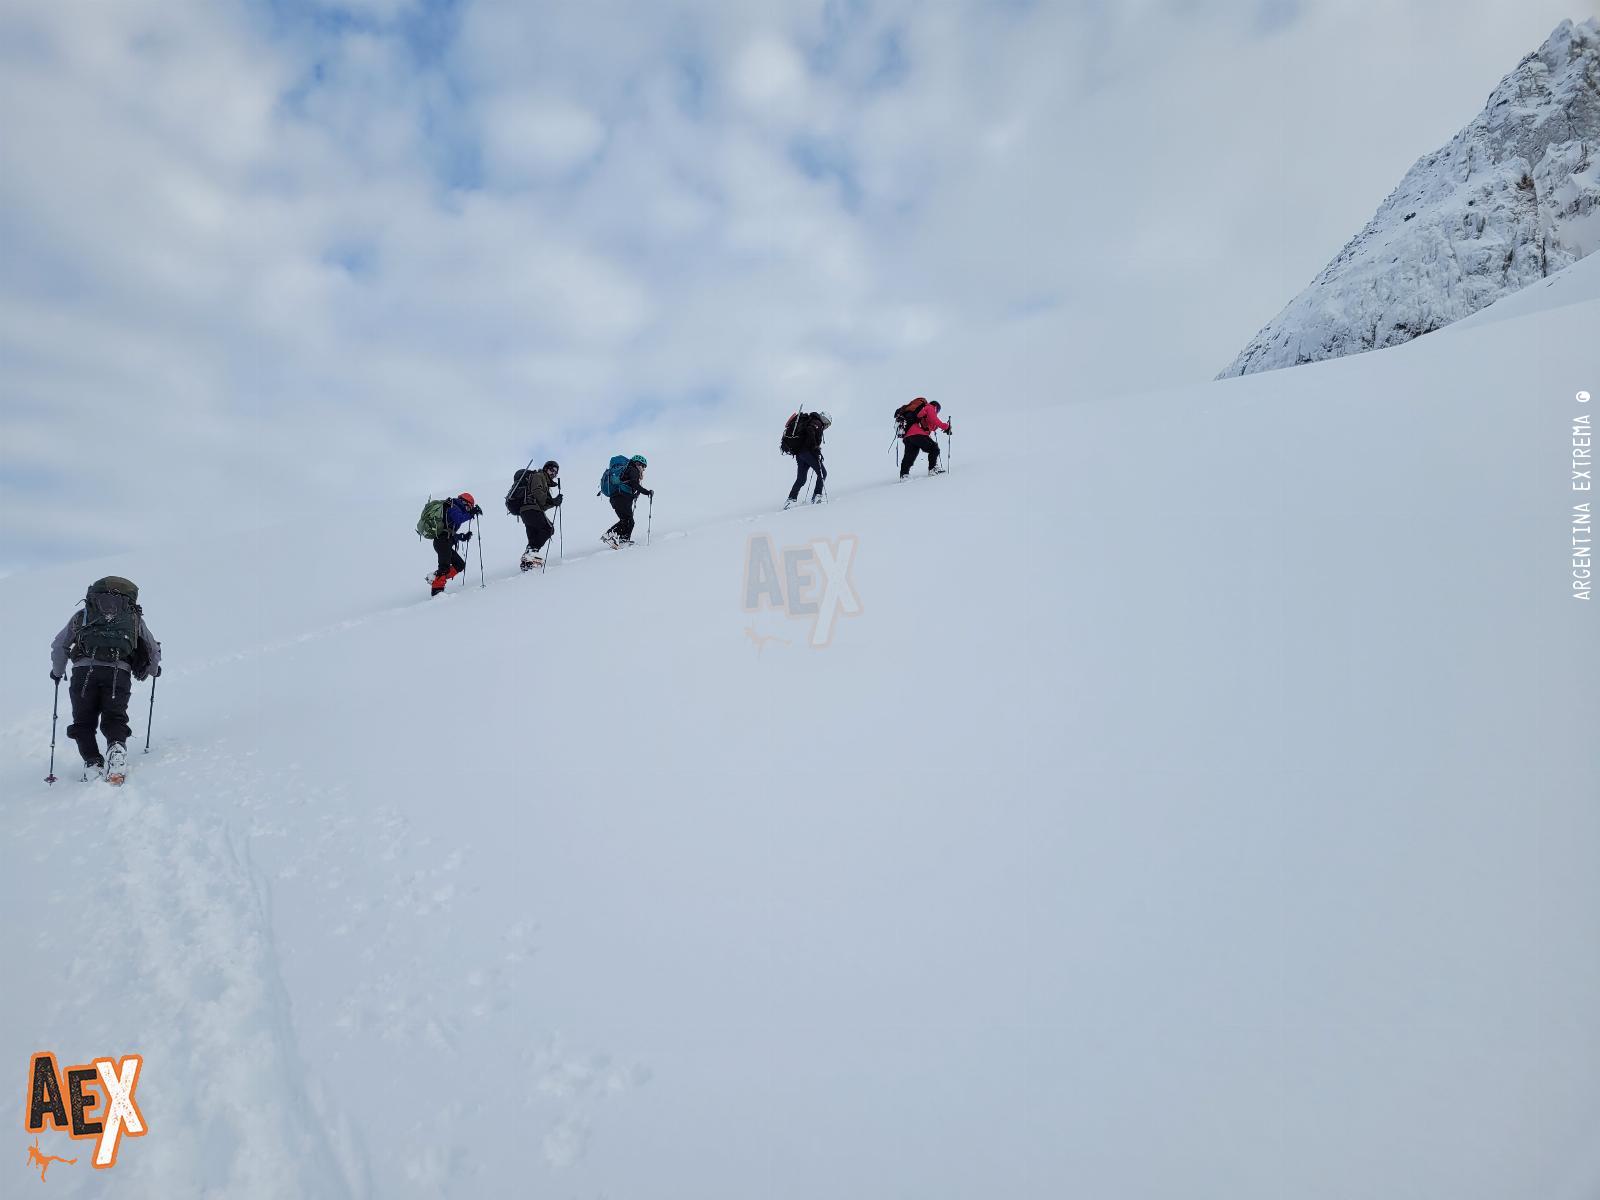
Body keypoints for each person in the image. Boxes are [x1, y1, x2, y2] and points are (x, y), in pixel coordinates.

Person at [49, 576, 161, 782]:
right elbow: (152, 648)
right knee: (115, 716)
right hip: (119, 673)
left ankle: (92, 762)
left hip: (83, 673)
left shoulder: (82, 616)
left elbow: (60, 645)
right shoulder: (133, 618)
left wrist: (57, 672)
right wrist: (153, 670)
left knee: (83, 721)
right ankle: (117, 749)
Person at [427, 492, 482, 596]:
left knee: (460, 565)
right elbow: (458, 519)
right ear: (464, 502)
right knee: (444, 568)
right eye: (469, 507)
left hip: (444, 542)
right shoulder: (453, 506)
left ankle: (435, 577)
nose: (468, 509)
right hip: (442, 542)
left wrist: (462, 537)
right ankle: (437, 593)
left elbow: (449, 533)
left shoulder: (455, 508)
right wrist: (471, 514)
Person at [511, 460, 562, 571]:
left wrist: (553, 502)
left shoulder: (543, 481)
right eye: (552, 470)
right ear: (545, 468)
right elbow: (537, 492)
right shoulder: (539, 476)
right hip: (531, 510)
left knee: (534, 536)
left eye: (556, 472)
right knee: (548, 529)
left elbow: (542, 505)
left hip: (526, 512)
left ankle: (528, 563)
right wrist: (553, 501)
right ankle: (531, 553)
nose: (553, 473)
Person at [602, 454, 653, 548]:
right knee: (629, 521)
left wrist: (635, 494)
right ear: (639, 464)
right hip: (621, 498)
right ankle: (613, 536)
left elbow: (629, 484)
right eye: (643, 466)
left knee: (626, 521)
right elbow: (634, 483)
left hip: (616, 499)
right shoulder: (633, 469)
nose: (643, 470)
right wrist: (646, 492)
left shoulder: (627, 470)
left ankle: (620, 539)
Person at [784, 411, 831, 509]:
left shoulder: (811, 420)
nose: (826, 426)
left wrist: (816, 450)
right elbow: (810, 430)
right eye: (827, 424)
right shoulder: (817, 422)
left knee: (801, 479)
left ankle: (790, 500)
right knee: (823, 473)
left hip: (800, 454)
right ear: (825, 420)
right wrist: (815, 448)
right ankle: (817, 496)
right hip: (807, 453)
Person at [899, 398, 951, 478]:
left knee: (910, 455)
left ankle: (904, 474)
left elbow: (931, 425)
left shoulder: (922, 411)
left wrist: (939, 427)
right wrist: (946, 427)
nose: (936, 412)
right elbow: (934, 419)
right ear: (936, 407)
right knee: (934, 448)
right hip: (917, 434)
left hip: (908, 436)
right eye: (937, 411)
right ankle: (932, 469)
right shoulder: (930, 407)